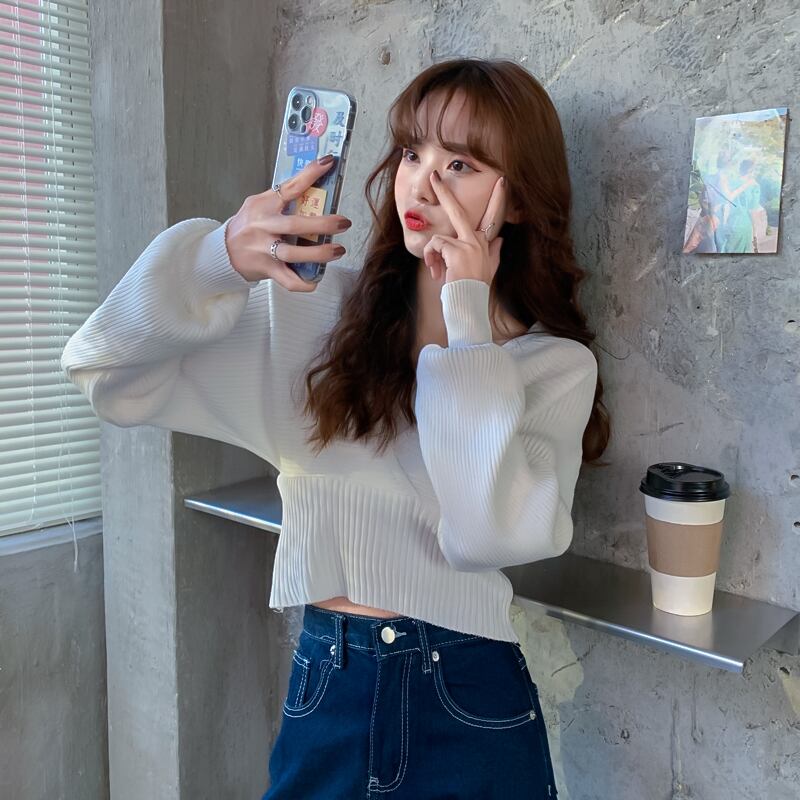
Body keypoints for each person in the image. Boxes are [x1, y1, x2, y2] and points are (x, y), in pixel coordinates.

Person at [62, 58, 610, 799]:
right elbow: (103, 370)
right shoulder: (312, 315)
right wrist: (218, 259)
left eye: (460, 163)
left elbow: (484, 537)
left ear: (516, 201)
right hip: (330, 685)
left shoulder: (554, 367)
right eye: (411, 152)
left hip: (471, 698)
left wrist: (466, 316)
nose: (423, 184)